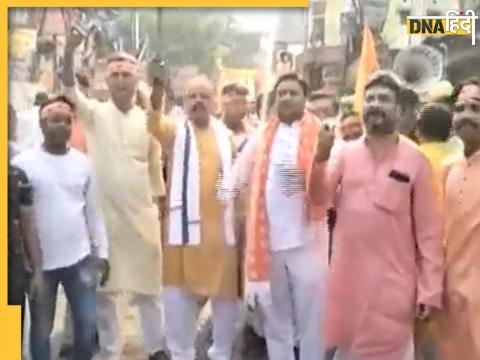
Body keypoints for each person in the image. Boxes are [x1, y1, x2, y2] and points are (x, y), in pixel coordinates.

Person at [310, 72, 443, 360]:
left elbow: (429, 232)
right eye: (369, 99)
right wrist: (319, 160)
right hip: (349, 285)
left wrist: (429, 289)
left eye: (384, 99)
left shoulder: (415, 159)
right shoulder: (344, 154)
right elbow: (319, 201)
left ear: (399, 109)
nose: (375, 104)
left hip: (393, 289)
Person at [62, 33, 166, 360]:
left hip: (142, 216)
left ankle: (157, 350)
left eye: (127, 74)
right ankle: (110, 352)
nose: (121, 80)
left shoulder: (149, 120)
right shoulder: (94, 113)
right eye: (115, 74)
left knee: (150, 290)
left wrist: (160, 208)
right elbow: (68, 89)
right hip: (105, 219)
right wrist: (68, 51)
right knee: (105, 293)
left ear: (137, 79)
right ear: (106, 79)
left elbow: (154, 166)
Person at [235, 73, 328, 360]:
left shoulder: (321, 134)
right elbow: (235, 178)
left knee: (313, 321)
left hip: (309, 242)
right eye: (281, 93)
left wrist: (323, 156)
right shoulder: (260, 137)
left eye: (292, 93)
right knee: (277, 323)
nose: (285, 98)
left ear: (305, 99)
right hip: (268, 245)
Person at [147, 75, 239, 360]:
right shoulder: (175, 132)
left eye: (204, 96)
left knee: (225, 326)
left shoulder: (227, 138)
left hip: (221, 241)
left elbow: (231, 184)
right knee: (179, 331)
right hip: (182, 240)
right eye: (192, 96)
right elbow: (153, 122)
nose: (198, 101)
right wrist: (158, 90)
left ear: (214, 103)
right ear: (184, 103)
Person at [12, 96, 110, 360]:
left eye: (68, 120)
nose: (63, 125)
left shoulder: (83, 163)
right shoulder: (22, 165)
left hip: (79, 260)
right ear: (42, 125)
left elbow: (93, 211)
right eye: (55, 119)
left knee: (87, 328)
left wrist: (102, 254)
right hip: (40, 267)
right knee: (41, 332)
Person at [437, 78, 480, 360]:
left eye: (475, 108)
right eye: (460, 108)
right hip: (451, 296)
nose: (466, 115)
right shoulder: (448, 168)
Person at [8, 103, 43, 346]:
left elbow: (27, 222)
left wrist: (36, 267)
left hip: (12, 262)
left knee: (9, 336)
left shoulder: (17, 172)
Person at [222, 83, 255, 153]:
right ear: (224, 104)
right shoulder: (214, 132)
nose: (242, 108)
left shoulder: (253, 135)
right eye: (236, 103)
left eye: (244, 103)